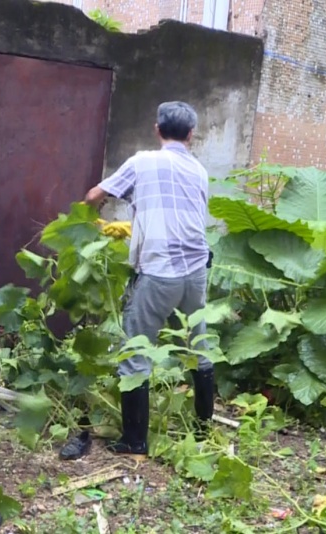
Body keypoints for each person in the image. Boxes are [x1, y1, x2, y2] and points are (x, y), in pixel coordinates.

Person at [82, 102, 216, 458]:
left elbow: (96, 195)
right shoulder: (200, 171)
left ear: (157, 129)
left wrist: (86, 221)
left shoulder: (143, 161)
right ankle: (204, 432)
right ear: (191, 135)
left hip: (159, 270)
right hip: (197, 268)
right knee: (197, 346)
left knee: (135, 351)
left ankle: (134, 441)